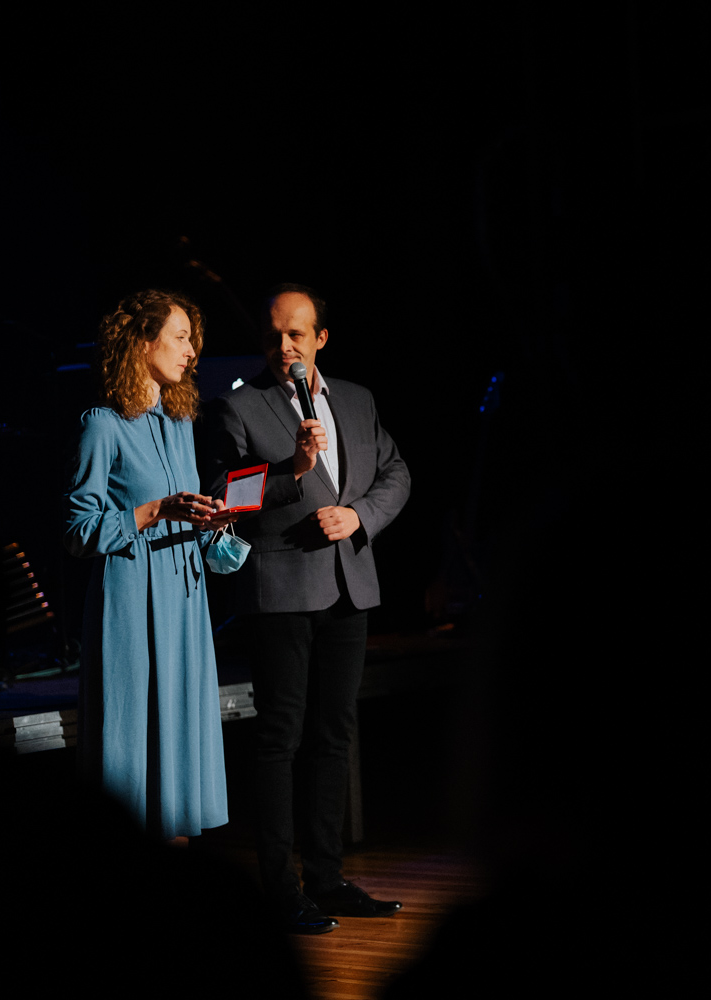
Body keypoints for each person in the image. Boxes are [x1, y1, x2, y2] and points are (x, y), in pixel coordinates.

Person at [197, 283, 410, 934]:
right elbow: (223, 494)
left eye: (295, 334)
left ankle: (326, 877)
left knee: (334, 734)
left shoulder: (357, 399)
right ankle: (279, 887)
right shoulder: (238, 406)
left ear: (320, 339)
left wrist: (359, 516)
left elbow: (396, 473)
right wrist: (293, 468)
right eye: (272, 336)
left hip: (349, 585)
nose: (283, 346)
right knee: (279, 738)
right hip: (282, 591)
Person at [64, 289, 231, 841]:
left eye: (192, 341)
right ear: (142, 341)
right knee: (132, 739)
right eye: (181, 338)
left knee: (180, 741)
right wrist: (154, 510)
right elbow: (78, 531)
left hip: (185, 602)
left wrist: (210, 519)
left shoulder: (180, 423)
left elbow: (181, 514)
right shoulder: (103, 425)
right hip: (132, 601)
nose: (191, 352)